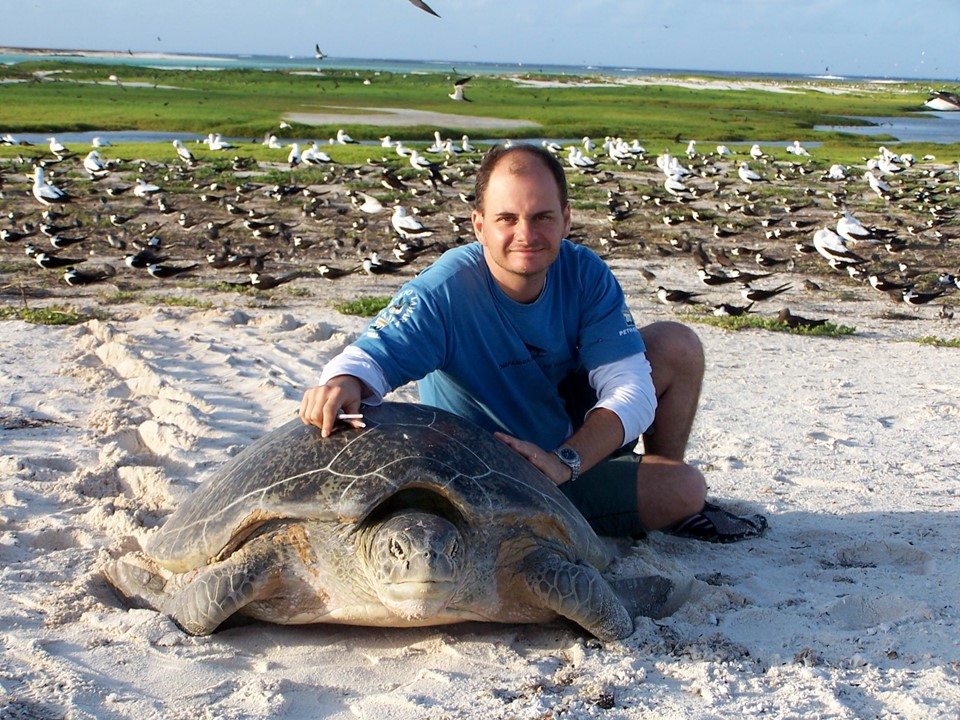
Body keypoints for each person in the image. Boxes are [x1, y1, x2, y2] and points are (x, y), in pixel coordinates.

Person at [300, 143, 766, 542]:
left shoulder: (585, 273)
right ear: (479, 225)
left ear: (566, 219)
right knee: (685, 488)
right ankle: (653, 496)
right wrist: (341, 382)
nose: (526, 235)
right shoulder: (446, 290)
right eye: (508, 218)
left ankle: (655, 487)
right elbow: (367, 359)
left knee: (675, 344)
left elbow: (633, 390)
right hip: (494, 476)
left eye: (542, 217)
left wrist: (567, 460)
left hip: (567, 450)